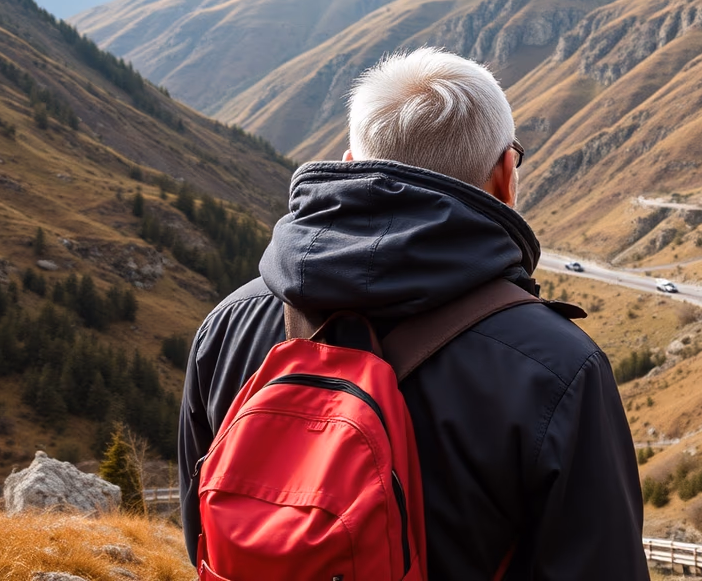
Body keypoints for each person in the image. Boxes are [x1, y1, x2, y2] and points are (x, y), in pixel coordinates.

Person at [178, 47, 649, 579]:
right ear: (506, 175)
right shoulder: (556, 366)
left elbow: (201, 532)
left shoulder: (230, 323)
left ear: (350, 164)